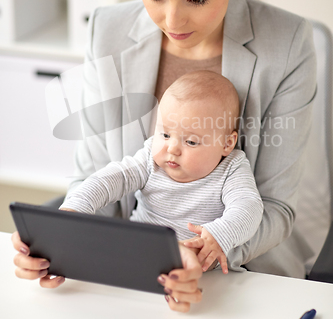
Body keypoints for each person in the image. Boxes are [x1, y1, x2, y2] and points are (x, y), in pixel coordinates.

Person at [12, 0, 316, 312]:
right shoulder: (108, 29)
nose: (172, 22)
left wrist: (206, 254)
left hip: (241, 273)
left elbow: (274, 209)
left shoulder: (287, 44)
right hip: (130, 269)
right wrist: (63, 241)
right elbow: (96, 175)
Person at [59, 71, 264, 273]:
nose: (172, 148)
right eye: (165, 134)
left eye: (191, 141)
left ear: (227, 144)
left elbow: (249, 207)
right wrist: (77, 206)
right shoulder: (151, 158)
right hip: (136, 254)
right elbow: (111, 179)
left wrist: (221, 234)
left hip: (198, 270)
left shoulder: (232, 167)